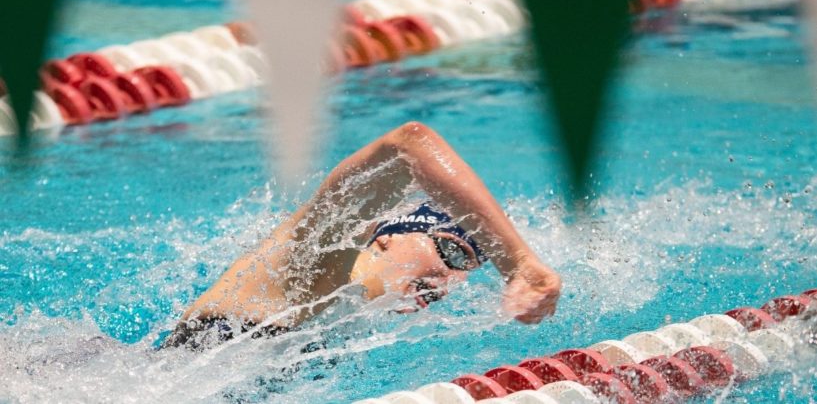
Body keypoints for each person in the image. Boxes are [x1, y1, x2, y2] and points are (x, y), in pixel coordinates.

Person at [163, 122, 562, 349]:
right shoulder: (311, 264)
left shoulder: (352, 320)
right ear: (387, 235)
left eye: (468, 271)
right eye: (451, 254)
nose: (453, 280)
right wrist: (518, 263)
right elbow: (409, 144)